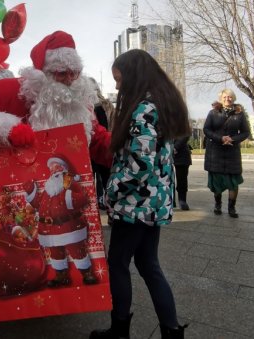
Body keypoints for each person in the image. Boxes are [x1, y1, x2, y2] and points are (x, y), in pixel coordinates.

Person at [0, 30, 112, 339]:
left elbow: (99, 140)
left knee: (54, 250)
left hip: (55, 199)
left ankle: (52, 295)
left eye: (73, 73)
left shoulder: (81, 104)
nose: (68, 80)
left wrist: (125, 147)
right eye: (60, 73)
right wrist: (5, 128)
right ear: (43, 73)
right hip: (8, 190)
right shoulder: (11, 91)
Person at [90, 49, 189, 339]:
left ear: (133, 76)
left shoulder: (143, 108)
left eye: (119, 80)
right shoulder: (160, 104)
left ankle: (119, 330)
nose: (117, 87)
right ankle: (171, 331)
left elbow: (140, 164)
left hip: (134, 203)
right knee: (148, 264)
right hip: (153, 203)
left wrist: (110, 192)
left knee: (119, 264)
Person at [23, 156, 98, 287]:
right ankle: (61, 276)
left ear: (63, 169)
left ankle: (87, 273)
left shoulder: (70, 184)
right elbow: (38, 204)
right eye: (51, 169)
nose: (53, 171)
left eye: (56, 167)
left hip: (69, 226)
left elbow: (83, 199)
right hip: (50, 229)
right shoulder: (48, 189)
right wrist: (31, 191)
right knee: (56, 253)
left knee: (77, 250)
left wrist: (68, 197)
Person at [203, 88, 250, 218]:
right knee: (217, 181)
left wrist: (233, 139)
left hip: (232, 152)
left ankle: (231, 207)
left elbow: (246, 132)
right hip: (216, 152)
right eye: (224, 97)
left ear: (233, 98)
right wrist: (220, 138)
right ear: (220, 98)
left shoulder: (240, 114)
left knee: (233, 181)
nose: (227, 99)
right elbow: (206, 129)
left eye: (229, 97)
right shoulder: (213, 113)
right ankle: (217, 204)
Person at [89, 77, 114, 210]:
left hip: (96, 146)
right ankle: (109, 207)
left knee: (92, 180)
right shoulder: (106, 104)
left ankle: (96, 204)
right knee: (106, 179)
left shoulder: (94, 107)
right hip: (106, 146)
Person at [173, 136, 192, 210]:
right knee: (167, 180)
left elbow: (185, 134)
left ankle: (182, 200)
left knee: (182, 179)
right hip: (164, 153)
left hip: (182, 155)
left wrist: (175, 147)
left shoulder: (183, 124)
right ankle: (171, 201)